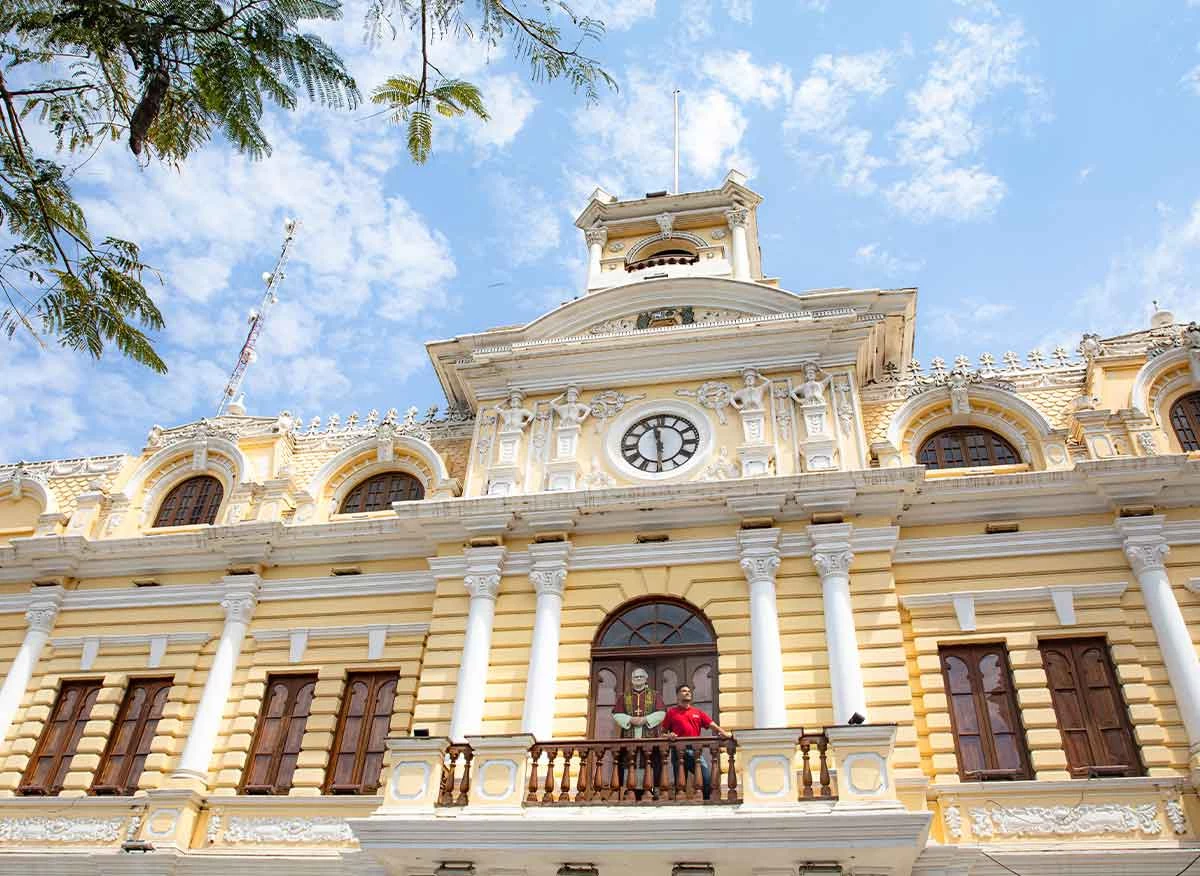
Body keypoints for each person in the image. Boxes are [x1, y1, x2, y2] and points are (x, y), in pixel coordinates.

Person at [663, 683, 730, 800]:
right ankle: (680, 805)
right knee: (680, 782)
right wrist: (669, 735)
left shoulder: (697, 712)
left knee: (706, 778)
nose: (687, 692)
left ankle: (706, 801)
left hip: (695, 752)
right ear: (677, 695)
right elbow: (662, 733)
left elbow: (711, 724)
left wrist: (723, 732)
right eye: (684, 691)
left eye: (689, 691)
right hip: (678, 752)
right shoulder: (671, 713)